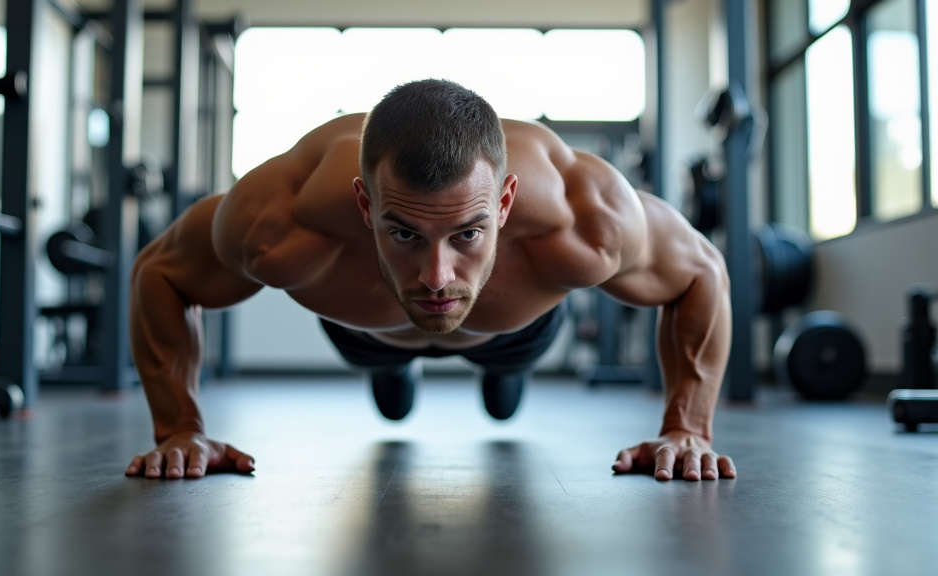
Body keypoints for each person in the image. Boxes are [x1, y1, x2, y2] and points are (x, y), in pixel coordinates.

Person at [124, 79, 737, 482]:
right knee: (390, 386)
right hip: (368, 334)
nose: (437, 276)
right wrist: (181, 429)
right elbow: (160, 272)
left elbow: (701, 271)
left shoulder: (585, 218)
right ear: (365, 206)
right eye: (405, 234)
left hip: (512, 332)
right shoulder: (280, 223)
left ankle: (503, 372)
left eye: (467, 234)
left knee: (504, 387)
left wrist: (688, 429)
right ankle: (394, 372)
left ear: (504, 203)